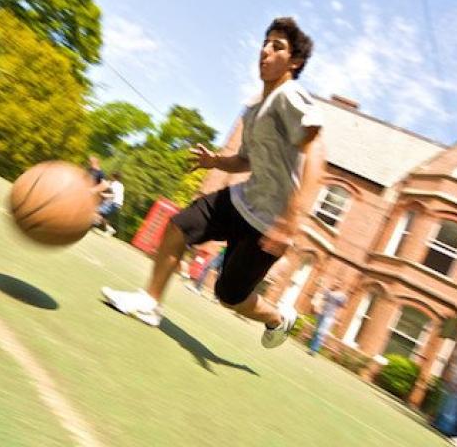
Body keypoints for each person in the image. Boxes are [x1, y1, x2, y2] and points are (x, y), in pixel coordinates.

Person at [101, 17, 326, 349]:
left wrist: (291, 221)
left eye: (277, 46)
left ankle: (278, 317)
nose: (265, 50)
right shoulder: (253, 107)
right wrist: (214, 162)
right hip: (241, 199)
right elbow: (246, 159)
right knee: (179, 225)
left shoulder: (290, 95)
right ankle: (150, 304)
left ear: (295, 61)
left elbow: (317, 155)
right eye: (265, 43)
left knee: (229, 296)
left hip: (269, 222)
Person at [308, 283, 347, 354]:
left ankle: (313, 350)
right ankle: (311, 348)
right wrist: (317, 307)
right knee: (316, 331)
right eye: (336, 282)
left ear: (342, 286)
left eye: (339, 282)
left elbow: (343, 307)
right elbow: (322, 299)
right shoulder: (327, 291)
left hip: (329, 316)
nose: (336, 284)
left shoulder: (342, 296)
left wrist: (338, 319)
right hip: (321, 313)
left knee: (321, 332)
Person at [94, 171, 124, 236]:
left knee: (97, 211)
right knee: (103, 216)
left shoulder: (114, 184)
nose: (110, 177)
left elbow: (113, 195)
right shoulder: (121, 185)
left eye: (111, 176)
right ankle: (109, 229)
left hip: (113, 203)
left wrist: (103, 194)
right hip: (118, 204)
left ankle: (95, 223)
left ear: (114, 177)